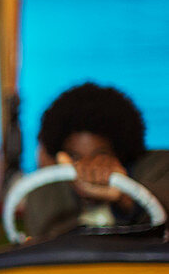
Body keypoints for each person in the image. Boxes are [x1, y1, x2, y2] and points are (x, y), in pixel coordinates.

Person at [25, 82, 169, 239]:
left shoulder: (160, 166)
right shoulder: (45, 194)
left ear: (120, 151)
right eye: (75, 157)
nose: (87, 167)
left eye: (100, 155)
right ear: (61, 156)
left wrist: (124, 197)